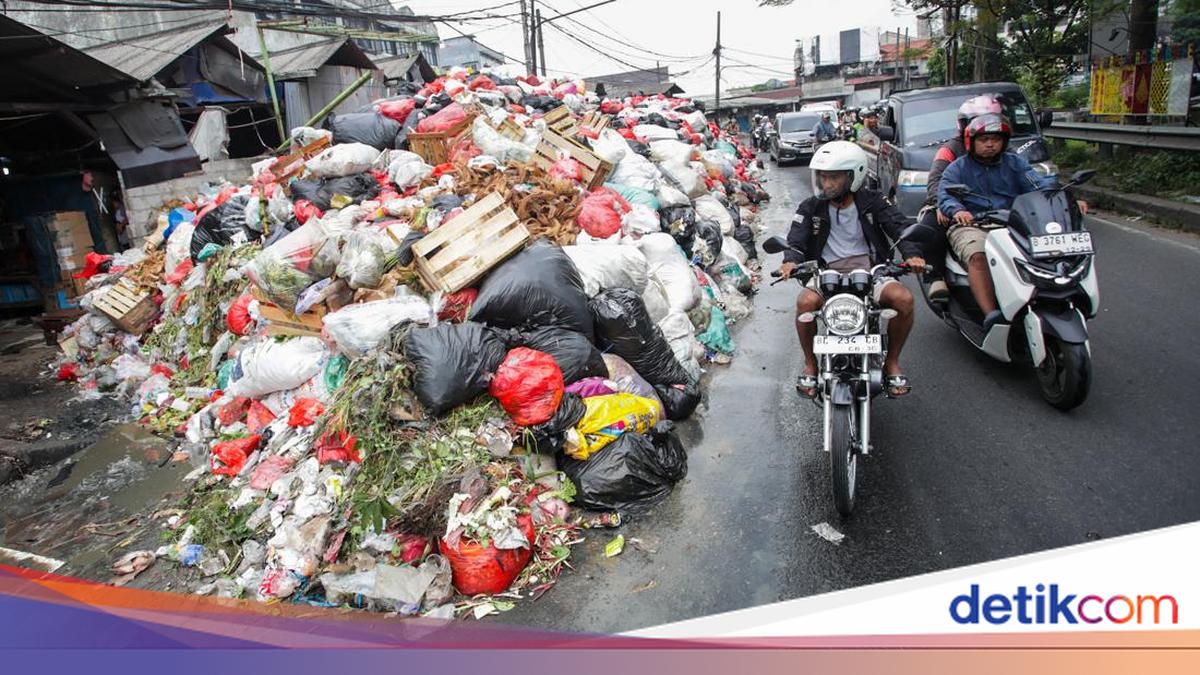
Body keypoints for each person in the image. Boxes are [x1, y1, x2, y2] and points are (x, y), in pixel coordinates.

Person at [780, 141, 926, 398]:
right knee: (805, 303)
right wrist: (791, 260)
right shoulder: (810, 207)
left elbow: (899, 226)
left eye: (833, 177)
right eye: (823, 177)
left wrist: (913, 255)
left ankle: (891, 362)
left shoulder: (874, 202)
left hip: (872, 270)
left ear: (853, 176)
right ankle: (811, 365)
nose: (826, 183)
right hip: (825, 272)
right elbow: (796, 238)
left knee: (903, 299)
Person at [937, 113, 1055, 332]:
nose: (990, 144)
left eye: (996, 139)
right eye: (984, 140)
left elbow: (1038, 185)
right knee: (978, 256)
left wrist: (1062, 196)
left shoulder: (1015, 163)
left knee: (1041, 251)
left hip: (1013, 221)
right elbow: (944, 194)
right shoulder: (958, 168)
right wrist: (958, 209)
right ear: (971, 142)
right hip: (973, 225)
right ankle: (991, 313)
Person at [919, 94, 1003, 301]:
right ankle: (935, 276)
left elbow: (1032, 181)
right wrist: (943, 204)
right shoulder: (950, 151)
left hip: (999, 211)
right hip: (958, 207)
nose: (990, 141)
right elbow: (936, 181)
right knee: (930, 225)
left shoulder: (1008, 154)